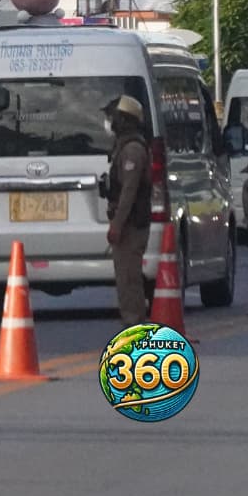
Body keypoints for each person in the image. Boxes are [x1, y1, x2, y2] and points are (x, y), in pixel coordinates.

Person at [103, 95, 152, 327]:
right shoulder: (123, 147)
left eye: (113, 117)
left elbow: (129, 191)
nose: (110, 122)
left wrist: (117, 224)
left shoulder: (132, 149)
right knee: (125, 278)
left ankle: (134, 324)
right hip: (127, 223)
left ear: (124, 120)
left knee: (129, 278)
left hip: (131, 224)